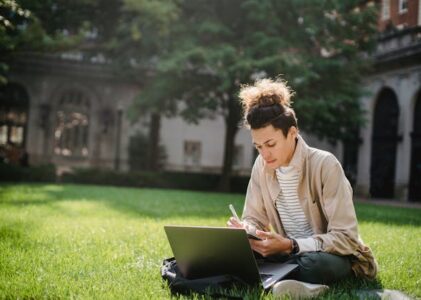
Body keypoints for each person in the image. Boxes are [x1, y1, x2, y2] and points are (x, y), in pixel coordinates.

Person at [227, 78, 377, 296]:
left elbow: (347, 238)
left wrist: (291, 245)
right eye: (258, 146)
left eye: (270, 144)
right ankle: (286, 278)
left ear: (292, 133)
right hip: (285, 254)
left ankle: (276, 276)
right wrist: (247, 231)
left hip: (329, 255)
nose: (264, 153)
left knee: (312, 265)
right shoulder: (261, 165)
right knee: (231, 255)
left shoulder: (325, 164)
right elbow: (255, 218)